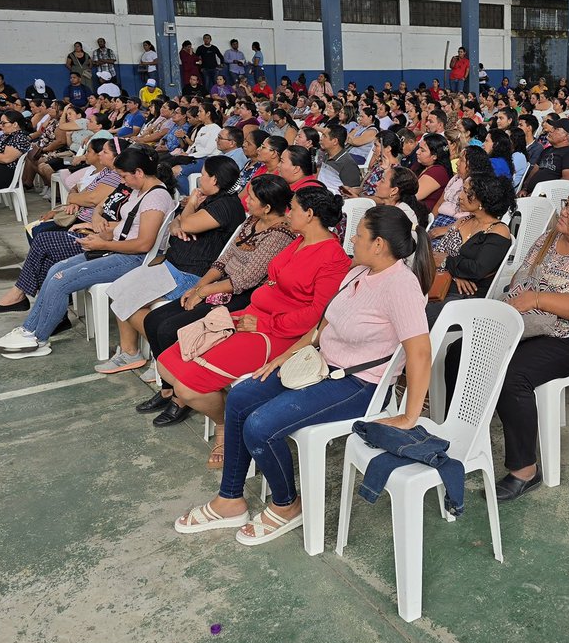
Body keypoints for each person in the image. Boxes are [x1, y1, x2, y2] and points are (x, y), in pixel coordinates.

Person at [173, 203, 432, 545]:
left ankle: (287, 505)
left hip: (359, 385)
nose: (351, 239)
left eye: (358, 234)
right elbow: (321, 327)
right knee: (240, 396)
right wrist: (284, 357)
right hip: (320, 365)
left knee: (261, 425)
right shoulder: (358, 272)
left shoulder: (401, 286)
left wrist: (409, 416)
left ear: (379, 244)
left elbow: (420, 353)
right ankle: (230, 499)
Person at [446, 185, 569, 501]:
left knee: (512, 375)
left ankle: (525, 469)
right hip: (528, 326)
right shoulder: (549, 238)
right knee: (459, 352)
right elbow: (522, 278)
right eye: (566, 204)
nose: (565, 212)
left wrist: (538, 299)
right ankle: (463, 435)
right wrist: (519, 301)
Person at [156, 186, 354, 468]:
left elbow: (317, 316)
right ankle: (226, 405)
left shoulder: (331, 257)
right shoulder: (299, 240)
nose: (288, 213)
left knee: (187, 388)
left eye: (294, 208)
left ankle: (224, 425)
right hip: (251, 316)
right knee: (166, 364)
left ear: (309, 215)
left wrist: (265, 322)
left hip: (279, 333)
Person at [0, 147, 176, 358]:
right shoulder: (143, 191)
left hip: (132, 259)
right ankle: (29, 330)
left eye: (123, 176)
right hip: (118, 249)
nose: (123, 182)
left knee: (61, 279)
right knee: (56, 268)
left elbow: (143, 244)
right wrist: (100, 230)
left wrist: (103, 245)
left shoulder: (155, 198)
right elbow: (129, 224)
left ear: (139, 172)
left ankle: (37, 337)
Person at [136, 174, 297, 425]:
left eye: (252, 198)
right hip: (219, 286)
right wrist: (199, 286)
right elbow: (224, 260)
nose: (246, 200)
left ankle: (181, 398)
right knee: (154, 319)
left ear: (267, 206)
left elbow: (245, 279)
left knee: (170, 328)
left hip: (243, 296)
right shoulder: (253, 221)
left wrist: (202, 293)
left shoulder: (280, 235)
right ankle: (169, 387)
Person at [95, 156, 247, 375]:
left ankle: (166, 356)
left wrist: (190, 207)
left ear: (214, 179)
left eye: (203, 174)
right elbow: (176, 224)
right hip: (174, 265)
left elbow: (183, 223)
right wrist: (180, 221)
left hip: (191, 273)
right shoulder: (214, 199)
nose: (199, 179)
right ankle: (132, 353)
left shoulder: (225, 206)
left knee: (125, 301)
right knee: (117, 291)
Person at [0, 138, 125, 312]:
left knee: (42, 238)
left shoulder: (119, 178)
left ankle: (24, 295)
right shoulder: (108, 174)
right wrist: (77, 201)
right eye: (99, 151)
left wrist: (79, 203)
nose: (100, 154)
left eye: (105, 152)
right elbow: (80, 192)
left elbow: (93, 199)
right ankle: (51, 306)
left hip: (95, 233)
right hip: (83, 220)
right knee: (38, 236)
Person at [427, 172, 514, 317]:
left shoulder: (499, 231)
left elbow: (477, 269)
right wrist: (454, 273)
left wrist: (447, 261)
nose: (460, 196)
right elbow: (436, 253)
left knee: (417, 312)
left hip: (467, 296)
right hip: (443, 282)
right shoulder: (464, 220)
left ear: (482, 200)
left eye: (466, 192)